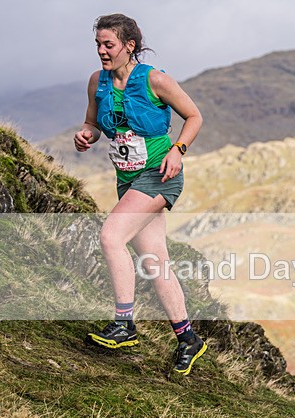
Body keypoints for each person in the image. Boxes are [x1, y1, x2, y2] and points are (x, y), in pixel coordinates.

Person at [74, 14, 206, 375]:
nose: (102, 51)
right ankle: (188, 338)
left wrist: (178, 149)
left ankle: (124, 323)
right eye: (98, 45)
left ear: (129, 46)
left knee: (110, 235)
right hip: (127, 178)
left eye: (108, 45)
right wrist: (86, 134)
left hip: (159, 175)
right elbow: (92, 122)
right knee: (155, 260)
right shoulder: (96, 82)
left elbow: (194, 116)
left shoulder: (155, 80)